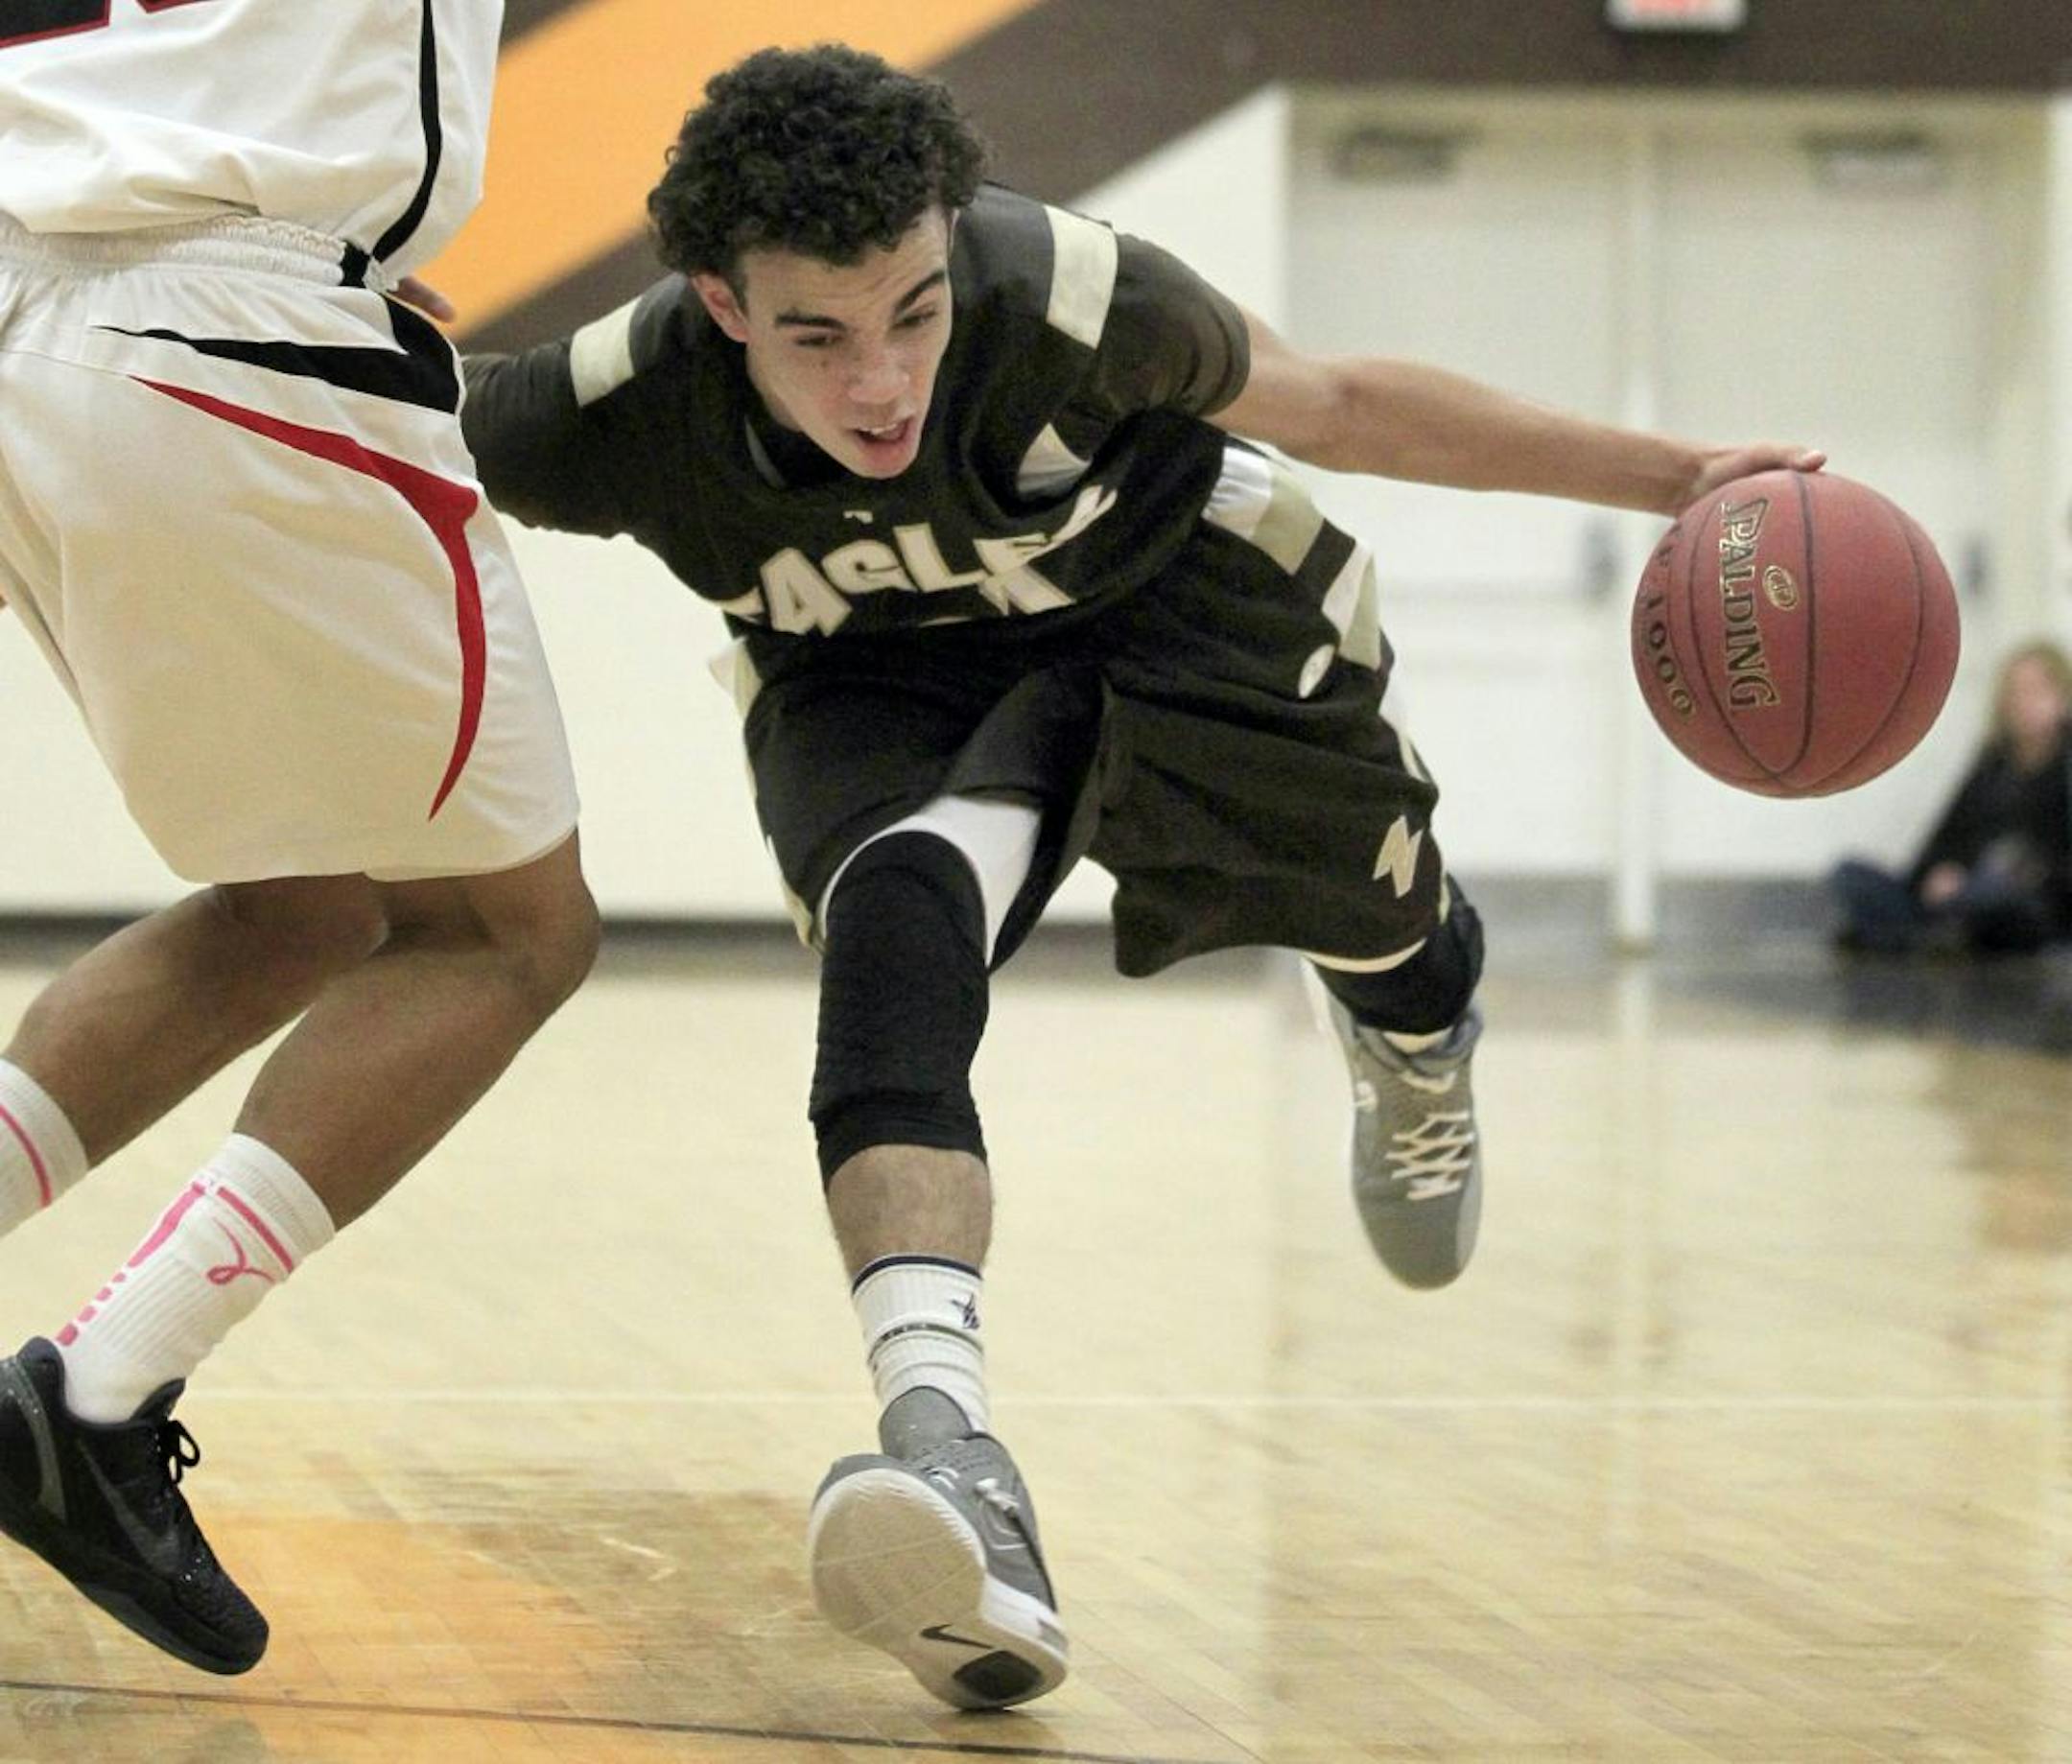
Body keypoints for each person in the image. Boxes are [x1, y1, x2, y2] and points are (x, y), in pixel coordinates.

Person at [459, 43, 1820, 1711]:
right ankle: (948, 1446)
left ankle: (1411, 1023)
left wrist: (1674, 478)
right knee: (895, 925)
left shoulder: (1071, 296)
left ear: (952, 243)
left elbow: (1340, 402)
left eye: (911, 306)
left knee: (1383, 919)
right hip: (881, 668)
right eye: (819, 332)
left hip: (1183, 606)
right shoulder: (606, 409)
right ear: (723, 307)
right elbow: (367, 425)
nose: (881, 378)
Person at [0, 0, 599, 1676]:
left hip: (31, 273)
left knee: (295, 908)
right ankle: (96, 1397)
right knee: (503, 930)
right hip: (216, 301)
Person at [1830, 641, 2072, 956]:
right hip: (1963, 891)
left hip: (2030, 901)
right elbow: (1945, 836)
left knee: (1998, 888)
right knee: (1849, 874)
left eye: (2038, 689)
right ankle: (1929, 938)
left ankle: (1906, 939)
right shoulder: (1992, 764)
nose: (2025, 702)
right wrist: (1940, 871)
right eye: (2016, 691)